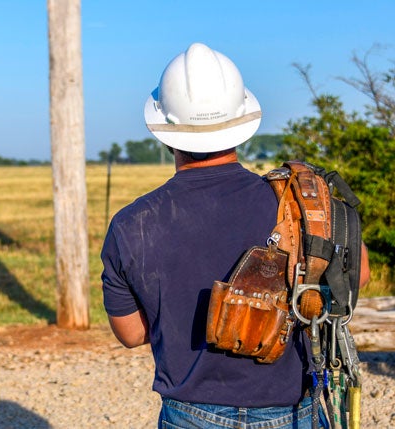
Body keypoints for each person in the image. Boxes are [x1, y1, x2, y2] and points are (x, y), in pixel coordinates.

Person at [101, 43, 370, 429]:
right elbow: (357, 277)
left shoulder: (130, 224)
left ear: (165, 131)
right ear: (242, 123)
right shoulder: (298, 202)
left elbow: (131, 333)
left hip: (189, 413)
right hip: (293, 410)